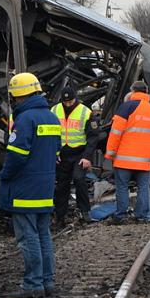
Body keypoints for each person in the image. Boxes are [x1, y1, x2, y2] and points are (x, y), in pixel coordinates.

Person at [0, 72, 61, 297]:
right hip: (45, 188)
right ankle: (47, 282)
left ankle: (33, 285)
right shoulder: (52, 117)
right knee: (43, 235)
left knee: (27, 237)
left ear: (19, 96)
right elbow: (56, 150)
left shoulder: (25, 119)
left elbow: (16, 156)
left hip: (25, 188)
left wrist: (4, 175)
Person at [104, 81, 150, 224]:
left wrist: (110, 153)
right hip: (145, 161)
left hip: (123, 159)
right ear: (146, 92)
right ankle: (143, 216)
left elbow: (115, 133)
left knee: (122, 187)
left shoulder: (126, 108)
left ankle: (121, 216)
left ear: (132, 91)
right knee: (143, 187)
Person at [51, 85, 98, 227]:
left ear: (75, 99)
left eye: (70, 102)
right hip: (62, 154)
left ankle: (85, 212)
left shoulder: (85, 112)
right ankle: (60, 217)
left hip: (79, 154)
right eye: (65, 102)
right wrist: (54, 153)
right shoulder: (54, 110)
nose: (68, 104)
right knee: (61, 185)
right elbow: (50, 133)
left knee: (79, 180)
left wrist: (87, 157)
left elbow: (93, 137)